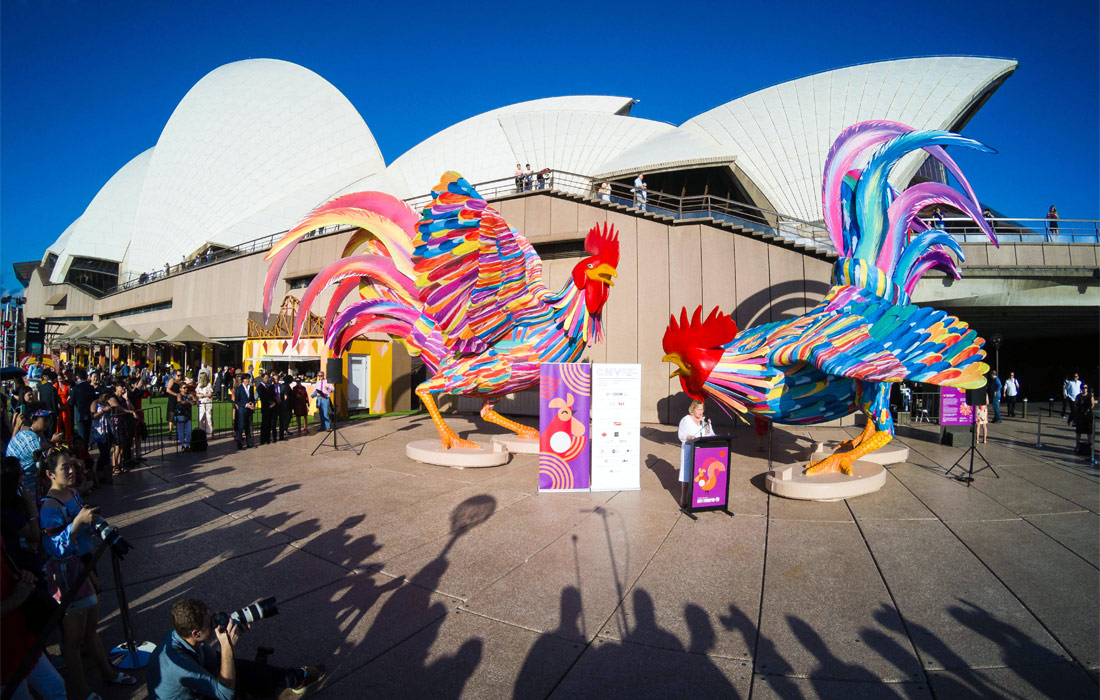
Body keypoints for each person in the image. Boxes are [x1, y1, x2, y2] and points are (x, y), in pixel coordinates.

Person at [39, 450, 137, 698]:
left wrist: (98, 526)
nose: (71, 471)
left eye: (72, 466)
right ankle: (81, 690)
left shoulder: (72, 492)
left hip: (83, 565)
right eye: (65, 468)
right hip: (66, 574)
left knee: (90, 628)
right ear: (50, 474)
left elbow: (84, 523)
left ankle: (107, 673)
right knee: (72, 640)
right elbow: (54, 548)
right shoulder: (49, 505)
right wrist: (78, 522)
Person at [146, 597, 325, 699]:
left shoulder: (182, 635)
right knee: (230, 674)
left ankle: (294, 678)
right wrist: (227, 647)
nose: (216, 622)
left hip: (199, 689)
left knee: (239, 668)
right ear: (196, 633)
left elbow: (214, 664)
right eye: (211, 623)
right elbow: (224, 695)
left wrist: (231, 641)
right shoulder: (178, 664)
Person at [1, 540, 67, 700]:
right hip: (3, 657)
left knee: (55, 687)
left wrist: (21, 575)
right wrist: (17, 598)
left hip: (20, 636)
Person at [5, 404, 49, 519]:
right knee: (31, 513)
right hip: (24, 482)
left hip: (22, 480)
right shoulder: (31, 438)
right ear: (33, 420)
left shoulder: (27, 433)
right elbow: (40, 460)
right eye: (44, 419)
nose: (47, 423)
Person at [677, 400, 714, 507]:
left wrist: (708, 426)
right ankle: (684, 497)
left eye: (702, 409)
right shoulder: (686, 420)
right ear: (693, 410)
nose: (700, 412)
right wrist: (689, 437)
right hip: (689, 451)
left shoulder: (705, 421)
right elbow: (681, 435)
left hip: (702, 452)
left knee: (701, 474)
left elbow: (709, 435)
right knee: (687, 473)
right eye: (698, 409)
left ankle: (700, 497)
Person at [234, 374, 256, 449]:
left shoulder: (251, 388)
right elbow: (237, 401)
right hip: (242, 410)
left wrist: (252, 403)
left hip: (249, 410)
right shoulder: (239, 388)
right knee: (240, 427)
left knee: (248, 427)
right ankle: (240, 445)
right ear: (243, 380)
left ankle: (249, 443)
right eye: (247, 379)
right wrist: (245, 405)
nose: (248, 380)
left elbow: (252, 398)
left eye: (249, 379)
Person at [1074, 385, 1094, 455]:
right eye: (1083, 388)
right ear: (1081, 388)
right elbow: (1075, 404)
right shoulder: (1078, 396)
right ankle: (1077, 446)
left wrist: (1088, 408)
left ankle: (1090, 445)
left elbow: (1092, 404)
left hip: (1088, 415)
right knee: (1078, 431)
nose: (1084, 389)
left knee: (1089, 431)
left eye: (1086, 388)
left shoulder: (1090, 396)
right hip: (1080, 415)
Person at [174, 382, 195, 451]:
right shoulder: (179, 394)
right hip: (180, 414)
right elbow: (180, 401)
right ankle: (182, 445)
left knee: (188, 431)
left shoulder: (189, 395)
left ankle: (187, 445)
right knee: (181, 431)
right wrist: (189, 402)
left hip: (188, 415)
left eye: (186, 387)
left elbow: (195, 400)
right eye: (184, 387)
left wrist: (194, 400)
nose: (186, 389)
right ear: (180, 389)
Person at [258, 374, 277, 445]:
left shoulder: (269, 387)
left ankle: (268, 438)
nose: (267, 379)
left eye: (267, 378)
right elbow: (263, 397)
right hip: (265, 407)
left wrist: (273, 402)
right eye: (266, 378)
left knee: (269, 424)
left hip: (271, 407)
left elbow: (273, 395)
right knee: (264, 424)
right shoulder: (260, 387)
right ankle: (263, 439)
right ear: (262, 378)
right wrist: (269, 404)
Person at [277, 373, 293, 441]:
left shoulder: (282, 385)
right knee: (287, 417)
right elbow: (286, 396)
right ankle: (284, 430)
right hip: (286, 405)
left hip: (283, 405)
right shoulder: (287, 386)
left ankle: (284, 430)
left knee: (284, 418)